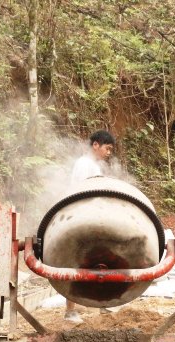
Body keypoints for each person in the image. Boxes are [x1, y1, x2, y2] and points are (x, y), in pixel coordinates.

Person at [65, 130, 116, 324]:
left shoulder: (94, 165)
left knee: (101, 259)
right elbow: (82, 191)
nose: (108, 152)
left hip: (94, 217)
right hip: (83, 216)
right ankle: (70, 311)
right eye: (107, 148)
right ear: (95, 145)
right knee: (77, 262)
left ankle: (104, 303)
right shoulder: (84, 164)